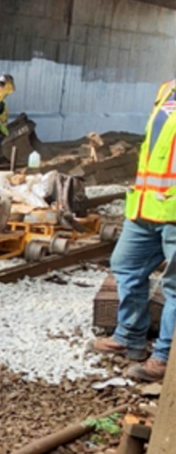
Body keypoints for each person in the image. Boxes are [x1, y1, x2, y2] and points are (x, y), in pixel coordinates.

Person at [91, 78, 176, 383]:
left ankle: (165, 357)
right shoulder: (167, 90)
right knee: (126, 265)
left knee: (175, 287)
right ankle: (130, 337)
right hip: (145, 208)